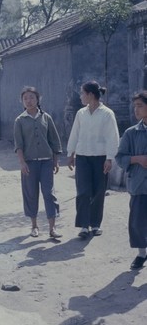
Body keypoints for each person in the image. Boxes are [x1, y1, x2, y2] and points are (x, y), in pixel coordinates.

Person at [67, 81, 119, 239]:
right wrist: (71, 153)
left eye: (83, 93)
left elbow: (112, 137)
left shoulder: (107, 113)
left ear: (90, 94)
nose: (81, 96)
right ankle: (83, 225)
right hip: (83, 157)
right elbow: (75, 133)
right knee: (83, 191)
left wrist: (110, 158)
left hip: (100, 158)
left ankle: (95, 224)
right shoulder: (80, 113)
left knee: (98, 192)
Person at [14, 87, 63, 238]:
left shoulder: (46, 117)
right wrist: (22, 163)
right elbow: (18, 145)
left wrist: (55, 160)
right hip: (29, 163)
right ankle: (34, 226)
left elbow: (54, 140)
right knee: (31, 194)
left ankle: (52, 228)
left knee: (49, 193)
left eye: (32, 97)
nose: (29, 101)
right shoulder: (20, 121)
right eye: (25, 98)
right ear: (22, 101)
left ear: (37, 99)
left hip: (46, 162)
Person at [115, 90, 147, 270]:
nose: (136, 110)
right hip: (139, 184)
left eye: (140, 106)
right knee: (137, 222)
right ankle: (142, 253)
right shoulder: (131, 133)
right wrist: (137, 159)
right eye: (135, 106)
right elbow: (120, 157)